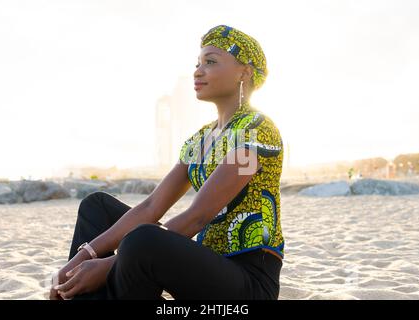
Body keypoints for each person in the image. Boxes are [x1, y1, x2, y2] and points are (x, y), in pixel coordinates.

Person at [50, 24, 285, 300]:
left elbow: (198, 216)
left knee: (142, 240)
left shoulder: (256, 132)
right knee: (97, 206)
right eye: (197, 63)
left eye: (210, 62)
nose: (198, 71)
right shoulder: (202, 140)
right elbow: (151, 206)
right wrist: (81, 259)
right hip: (202, 269)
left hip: (246, 285)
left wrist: (106, 266)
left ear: (244, 72)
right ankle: (75, 289)